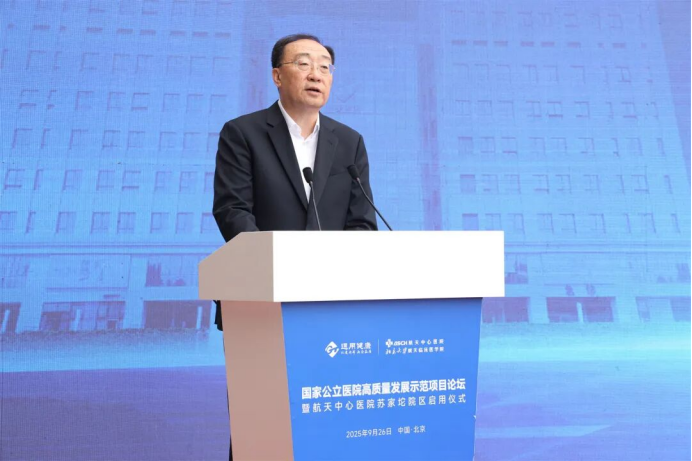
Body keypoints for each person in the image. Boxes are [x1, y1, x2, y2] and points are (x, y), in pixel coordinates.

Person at [212, 33, 378, 460]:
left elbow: (361, 223)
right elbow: (232, 210)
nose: (316, 74)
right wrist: (277, 270)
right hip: (259, 303)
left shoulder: (350, 141)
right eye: (304, 64)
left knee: (327, 427)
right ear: (277, 75)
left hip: (330, 307)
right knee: (260, 430)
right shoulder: (243, 133)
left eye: (325, 66)